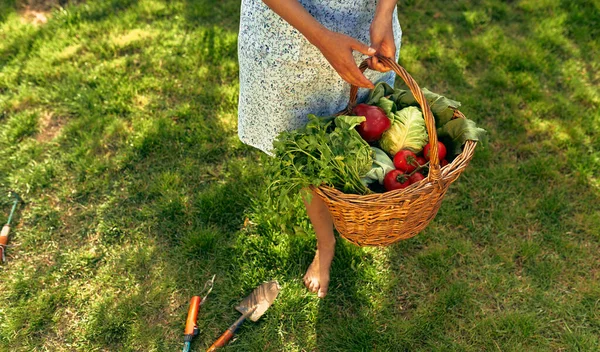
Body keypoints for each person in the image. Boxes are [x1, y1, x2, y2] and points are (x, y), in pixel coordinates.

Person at [238, 0, 402, 298]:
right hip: (288, 36)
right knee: (306, 154)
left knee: (363, 132)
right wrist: (321, 38)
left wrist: (384, 12)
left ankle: (355, 215)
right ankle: (326, 242)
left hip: (366, 28)